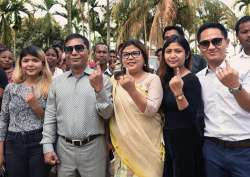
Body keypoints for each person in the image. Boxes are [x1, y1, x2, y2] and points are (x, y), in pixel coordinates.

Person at [41, 33, 113, 177]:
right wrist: (47, 147)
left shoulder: (103, 80)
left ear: (88, 52)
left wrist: (99, 89)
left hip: (93, 148)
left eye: (79, 48)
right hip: (64, 149)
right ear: (65, 54)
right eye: (69, 49)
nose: (74, 52)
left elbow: (107, 114)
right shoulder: (57, 82)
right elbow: (50, 117)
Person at [196, 22, 250, 177]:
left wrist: (235, 86)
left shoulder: (245, 68)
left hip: (244, 149)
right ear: (199, 48)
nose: (211, 47)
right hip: (212, 149)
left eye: (217, 41)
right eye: (205, 43)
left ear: (227, 42)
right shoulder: (198, 78)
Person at [110, 39, 164, 177]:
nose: (130, 57)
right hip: (124, 147)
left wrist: (132, 90)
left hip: (148, 147)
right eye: (126, 55)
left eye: (135, 53)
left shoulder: (153, 79)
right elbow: (108, 113)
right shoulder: (114, 81)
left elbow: (151, 111)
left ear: (144, 57)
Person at [0, 45, 52, 177]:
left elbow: (51, 121)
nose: (30, 64)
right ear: (20, 64)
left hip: (39, 142)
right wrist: (0, 152)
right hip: (13, 142)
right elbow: (3, 119)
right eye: (26, 60)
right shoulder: (11, 88)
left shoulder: (49, 88)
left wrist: (35, 105)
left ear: (42, 63)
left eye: (35, 60)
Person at [160, 35, 204, 177]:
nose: (172, 55)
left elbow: (192, 117)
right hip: (168, 138)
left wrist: (179, 93)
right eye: (168, 51)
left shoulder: (191, 79)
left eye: (178, 51)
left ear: (187, 54)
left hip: (186, 141)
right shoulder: (165, 79)